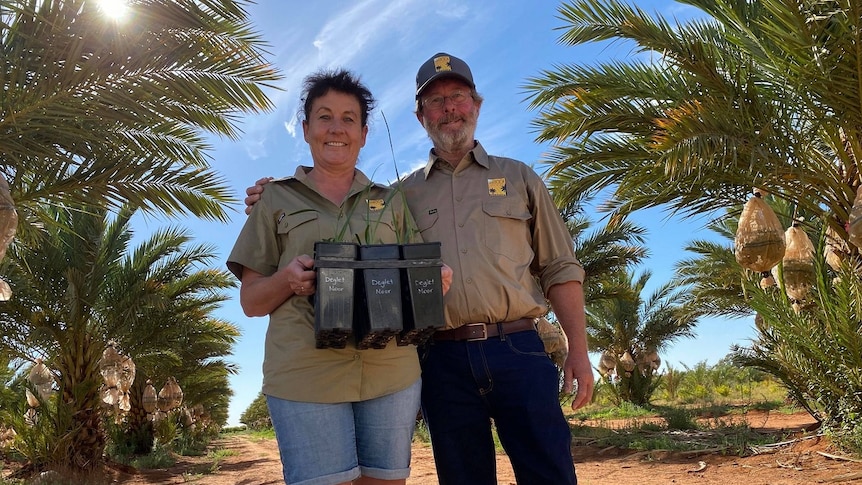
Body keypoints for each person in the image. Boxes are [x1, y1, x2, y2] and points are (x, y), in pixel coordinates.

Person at [245, 53, 595, 484]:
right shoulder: (396, 196)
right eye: (436, 101)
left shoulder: (520, 178)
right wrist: (271, 194)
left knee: (551, 474)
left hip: (518, 349)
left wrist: (578, 349)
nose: (449, 108)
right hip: (442, 359)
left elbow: (560, 266)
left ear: (477, 105)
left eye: (458, 97)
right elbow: (342, 212)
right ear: (420, 116)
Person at [227, 68, 451, 485]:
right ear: (307, 129)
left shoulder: (391, 203)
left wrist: (434, 279)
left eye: (349, 119)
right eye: (325, 116)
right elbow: (251, 301)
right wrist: (286, 280)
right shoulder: (273, 198)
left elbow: (418, 272)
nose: (337, 128)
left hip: (391, 372)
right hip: (305, 377)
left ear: (364, 133)